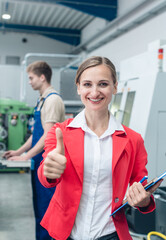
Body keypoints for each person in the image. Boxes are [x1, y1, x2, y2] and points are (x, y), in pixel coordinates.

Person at [37, 56, 162, 240]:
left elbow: (140, 186)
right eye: (87, 84)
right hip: (67, 233)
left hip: (110, 233)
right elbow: (46, 174)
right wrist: (49, 171)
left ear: (115, 87)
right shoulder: (60, 132)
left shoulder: (133, 140)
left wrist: (143, 200)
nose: (94, 92)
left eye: (103, 84)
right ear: (78, 87)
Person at [3, 61, 65, 240]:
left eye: (31, 78)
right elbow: (35, 135)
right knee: (39, 207)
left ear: (42, 77)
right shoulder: (42, 99)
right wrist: (18, 152)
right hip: (38, 161)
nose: (29, 82)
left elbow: (48, 135)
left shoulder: (53, 100)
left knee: (47, 208)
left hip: (47, 162)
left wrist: (26, 156)